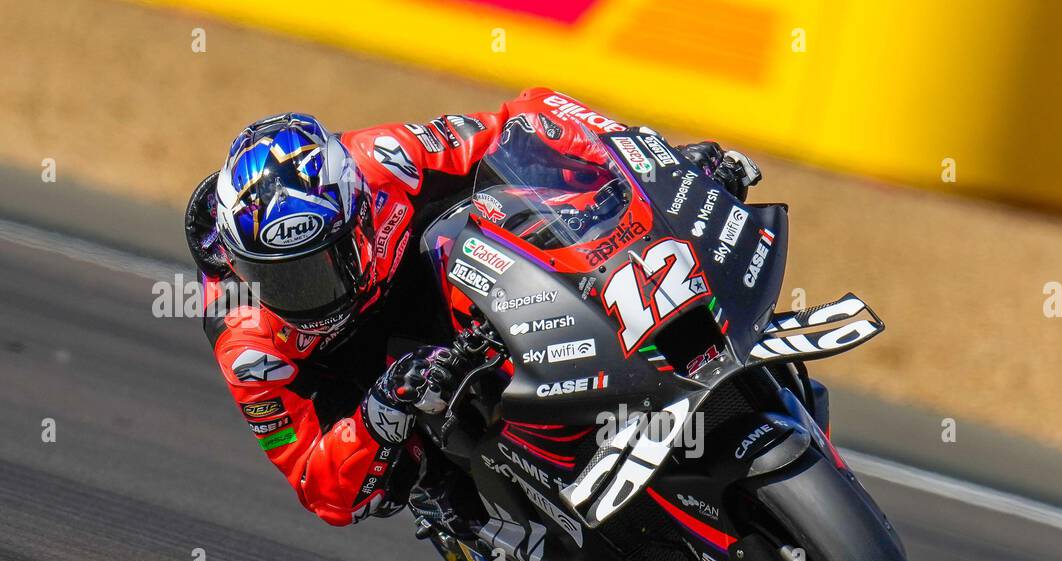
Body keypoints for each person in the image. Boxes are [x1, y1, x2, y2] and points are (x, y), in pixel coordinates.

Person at [184, 88, 761, 535]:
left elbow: (530, 118)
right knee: (396, 483)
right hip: (367, 386)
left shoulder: (386, 160)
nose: (306, 294)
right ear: (240, 265)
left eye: (316, 268)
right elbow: (318, 486)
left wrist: (661, 167)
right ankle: (475, 498)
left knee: (509, 206)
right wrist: (381, 411)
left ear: (356, 213)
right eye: (278, 278)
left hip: (458, 285)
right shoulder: (246, 338)